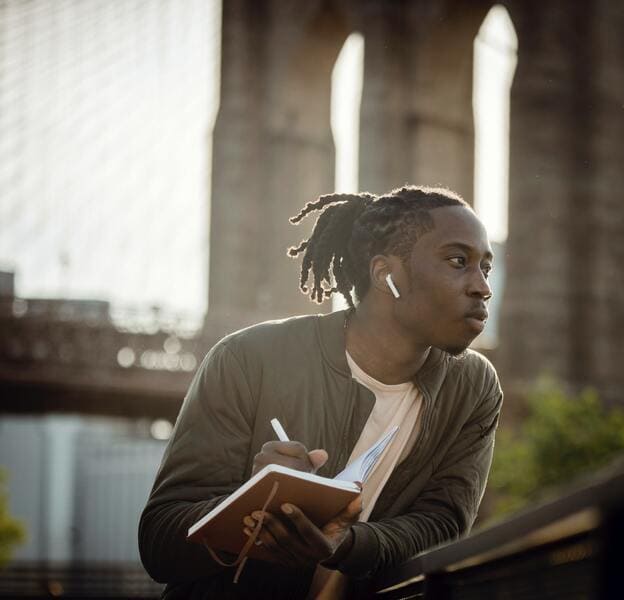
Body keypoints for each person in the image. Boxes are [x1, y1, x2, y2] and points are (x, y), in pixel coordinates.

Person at [139, 186, 502, 599]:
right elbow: (159, 543)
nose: (482, 287)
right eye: (459, 262)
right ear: (387, 276)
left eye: (485, 268)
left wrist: (343, 545)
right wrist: (251, 505)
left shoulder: (474, 388)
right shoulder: (247, 358)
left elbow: (442, 525)